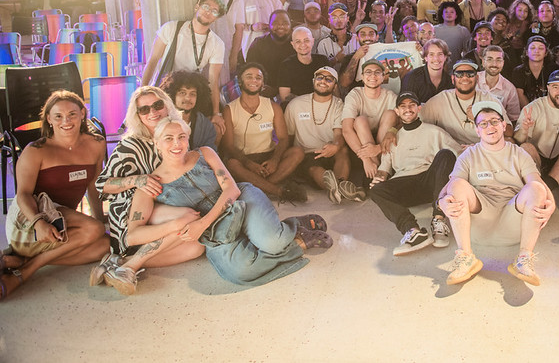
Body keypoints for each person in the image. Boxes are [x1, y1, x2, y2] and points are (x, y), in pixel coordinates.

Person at [118, 117, 330, 292]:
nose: (177, 144)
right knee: (240, 272)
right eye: (168, 138)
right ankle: (298, 242)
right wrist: (175, 225)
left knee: (273, 243)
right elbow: (132, 236)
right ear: (156, 143)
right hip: (216, 234)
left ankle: (290, 227)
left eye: (182, 137)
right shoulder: (150, 184)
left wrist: (202, 224)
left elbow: (232, 189)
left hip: (242, 201)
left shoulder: (204, 153)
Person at [1, 91, 108, 300]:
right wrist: (38, 222)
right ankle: (26, 271)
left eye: (72, 114)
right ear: (49, 119)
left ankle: (22, 260)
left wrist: (100, 219)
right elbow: (22, 194)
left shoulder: (97, 143)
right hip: (29, 221)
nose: (65, 121)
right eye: (58, 116)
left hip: (62, 224)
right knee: (93, 229)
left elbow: (94, 185)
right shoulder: (36, 150)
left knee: (104, 244)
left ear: (82, 114)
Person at [92, 86, 206, 277]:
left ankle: (121, 263)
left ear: (167, 105)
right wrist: (136, 180)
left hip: (164, 203)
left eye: (157, 105)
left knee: (196, 248)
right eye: (144, 109)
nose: (152, 112)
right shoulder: (130, 145)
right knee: (190, 217)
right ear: (138, 115)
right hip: (133, 213)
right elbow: (102, 185)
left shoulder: (175, 132)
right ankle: (128, 252)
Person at [439, 100, 555, 285]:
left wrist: (552, 206)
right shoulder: (469, 155)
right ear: (477, 130)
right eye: (483, 124)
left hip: (513, 221)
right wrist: (441, 203)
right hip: (480, 224)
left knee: (536, 188)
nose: (490, 127)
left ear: (503, 125)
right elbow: (448, 187)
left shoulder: (518, 153)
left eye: (494, 121)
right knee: (457, 185)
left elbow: (537, 183)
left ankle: (523, 259)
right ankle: (466, 257)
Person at [370, 91, 462, 256]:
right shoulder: (391, 138)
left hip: (430, 182)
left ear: (419, 108)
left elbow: (459, 155)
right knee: (376, 190)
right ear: (397, 111)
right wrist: (379, 177)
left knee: (446, 154)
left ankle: (438, 220)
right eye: (403, 106)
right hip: (405, 185)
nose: (408, 109)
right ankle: (412, 230)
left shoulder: (434, 132)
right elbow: (384, 169)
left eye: (412, 105)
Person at [141, 0, 226, 132]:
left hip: (191, 93)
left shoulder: (217, 43)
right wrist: (142, 91)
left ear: (216, 17)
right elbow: (152, 61)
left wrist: (216, 113)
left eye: (214, 11)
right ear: (197, 6)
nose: (208, 12)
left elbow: (213, 80)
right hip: (165, 90)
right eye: (206, 7)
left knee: (215, 127)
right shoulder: (171, 28)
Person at [221, 63, 304, 201]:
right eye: (249, 77)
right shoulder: (229, 110)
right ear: (240, 81)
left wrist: (275, 160)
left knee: (298, 152)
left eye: (258, 78)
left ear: (263, 84)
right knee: (232, 164)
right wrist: (248, 164)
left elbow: (283, 138)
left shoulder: (273, 106)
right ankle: (278, 191)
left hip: (268, 156)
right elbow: (228, 146)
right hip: (243, 159)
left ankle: (260, 187)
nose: (254, 80)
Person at [284, 66, 356, 204]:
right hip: (307, 154)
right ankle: (337, 188)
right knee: (314, 168)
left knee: (343, 150)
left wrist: (335, 146)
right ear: (313, 81)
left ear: (335, 85)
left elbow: (339, 134)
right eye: (320, 77)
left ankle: (339, 186)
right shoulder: (296, 104)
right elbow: (288, 136)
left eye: (329, 79)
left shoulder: (339, 104)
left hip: (330, 150)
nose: (323, 81)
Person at [514, 70, 559, 191]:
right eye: (555, 87)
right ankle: (536, 182)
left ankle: (547, 187)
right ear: (548, 88)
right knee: (525, 147)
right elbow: (518, 141)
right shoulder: (533, 107)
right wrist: (524, 129)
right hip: (537, 158)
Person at [421, 59, 511, 146]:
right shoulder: (440, 100)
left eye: (470, 74)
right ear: (453, 79)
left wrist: (480, 119)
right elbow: (419, 124)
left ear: (477, 78)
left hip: (482, 149)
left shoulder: (489, 99)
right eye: (459, 74)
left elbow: (509, 132)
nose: (465, 78)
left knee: (509, 141)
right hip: (452, 150)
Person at [342, 59, 397, 180]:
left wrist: (378, 148)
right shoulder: (355, 94)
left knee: (391, 114)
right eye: (368, 72)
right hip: (360, 144)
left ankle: (379, 172)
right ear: (362, 77)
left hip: (383, 142)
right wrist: (366, 160)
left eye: (377, 72)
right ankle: (380, 171)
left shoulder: (390, 96)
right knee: (360, 120)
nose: (373, 76)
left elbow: (400, 126)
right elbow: (346, 130)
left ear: (383, 77)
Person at [228, 0, 284, 74]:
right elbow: (233, 24)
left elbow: (281, 17)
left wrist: (272, 27)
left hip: (271, 44)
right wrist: (252, 27)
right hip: (249, 45)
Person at [160, 71, 219, 150]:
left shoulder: (206, 126)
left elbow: (211, 152)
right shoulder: (162, 121)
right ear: (172, 95)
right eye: (182, 93)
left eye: (192, 94)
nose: (188, 98)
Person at [245, 10, 294, 92]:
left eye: (285, 23)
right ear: (269, 25)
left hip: (290, 92)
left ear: (291, 25)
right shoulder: (258, 44)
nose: (280, 26)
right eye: (275, 23)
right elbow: (250, 69)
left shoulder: (297, 45)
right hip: (263, 90)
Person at [277, 26, 330, 103]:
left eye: (306, 40)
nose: (303, 44)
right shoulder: (286, 65)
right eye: (298, 41)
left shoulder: (323, 61)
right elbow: (285, 97)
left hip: (323, 104)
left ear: (312, 41)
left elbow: (333, 88)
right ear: (293, 44)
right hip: (297, 107)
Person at [476, 45, 521, 121]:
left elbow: (513, 119)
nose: (494, 64)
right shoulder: (472, 80)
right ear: (483, 62)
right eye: (490, 59)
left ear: (503, 63)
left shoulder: (510, 89)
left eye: (498, 60)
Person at [401, 38, 453, 103]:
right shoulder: (412, 78)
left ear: (445, 57)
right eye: (431, 54)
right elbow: (405, 106)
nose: (436, 58)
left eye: (440, 54)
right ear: (425, 57)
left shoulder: (450, 81)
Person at [512, 35, 558, 108]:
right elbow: (520, 94)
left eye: (541, 48)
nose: (536, 51)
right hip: (527, 110)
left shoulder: (553, 69)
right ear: (526, 52)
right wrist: (532, 112)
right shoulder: (519, 71)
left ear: (546, 53)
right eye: (532, 48)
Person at [316, 3, 357, 71]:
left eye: (342, 17)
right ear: (329, 20)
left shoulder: (357, 40)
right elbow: (320, 69)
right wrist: (335, 60)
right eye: (334, 17)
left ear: (347, 18)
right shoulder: (323, 44)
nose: (338, 20)